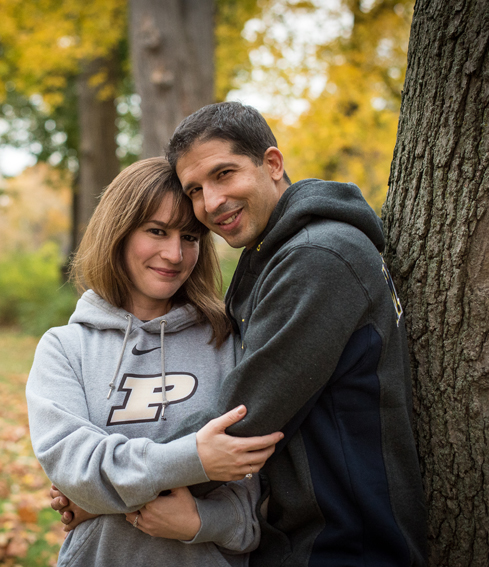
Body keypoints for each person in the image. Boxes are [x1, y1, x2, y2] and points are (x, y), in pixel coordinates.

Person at [161, 101, 428, 566]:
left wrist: (121, 481)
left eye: (224, 174)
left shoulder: (319, 257)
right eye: (195, 190)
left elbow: (244, 417)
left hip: (345, 545)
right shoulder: (274, 253)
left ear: (272, 163)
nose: (210, 202)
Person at [26, 157, 283, 567]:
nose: (175, 253)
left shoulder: (230, 343)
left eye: (191, 237)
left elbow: (258, 505)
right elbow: (76, 472)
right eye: (157, 231)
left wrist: (199, 520)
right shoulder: (64, 349)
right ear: (119, 232)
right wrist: (194, 459)